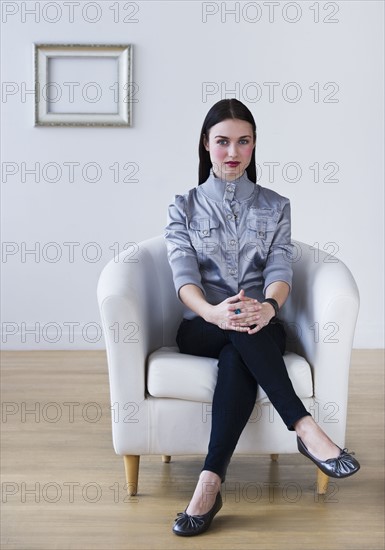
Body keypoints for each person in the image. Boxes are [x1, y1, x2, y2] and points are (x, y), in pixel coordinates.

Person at [164, 98, 360, 537]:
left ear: (253, 147)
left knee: (241, 349)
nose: (233, 152)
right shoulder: (184, 207)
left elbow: (279, 270)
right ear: (206, 145)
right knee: (235, 332)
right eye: (223, 142)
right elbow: (183, 276)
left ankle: (208, 485)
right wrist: (214, 312)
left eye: (243, 142)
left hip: (260, 323)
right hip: (201, 327)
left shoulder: (276, 205)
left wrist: (269, 306)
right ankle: (306, 427)